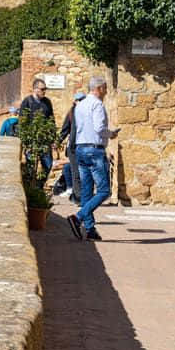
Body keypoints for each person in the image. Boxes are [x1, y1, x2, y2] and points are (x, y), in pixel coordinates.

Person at [69, 76, 119, 241]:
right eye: (104, 88)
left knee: (86, 191)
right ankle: (78, 217)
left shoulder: (80, 105)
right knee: (104, 190)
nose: (106, 92)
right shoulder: (97, 105)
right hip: (94, 150)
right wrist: (111, 134)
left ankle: (90, 229)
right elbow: (99, 128)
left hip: (81, 149)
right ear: (98, 89)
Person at [54, 91, 86, 201]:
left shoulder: (89, 112)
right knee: (76, 171)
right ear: (75, 102)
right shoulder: (71, 113)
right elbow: (65, 129)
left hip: (86, 146)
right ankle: (78, 197)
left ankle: (82, 195)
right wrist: (57, 142)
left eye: (82, 100)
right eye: (79, 101)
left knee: (85, 171)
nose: (81, 103)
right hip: (73, 147)